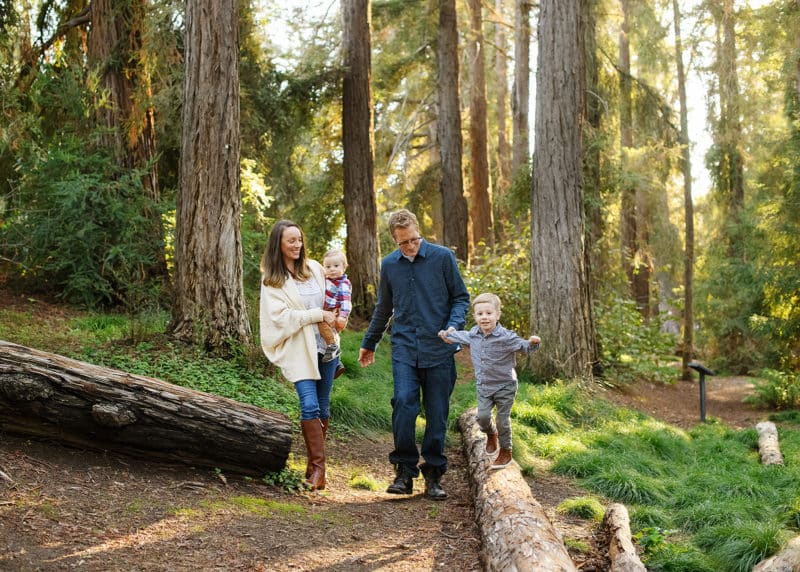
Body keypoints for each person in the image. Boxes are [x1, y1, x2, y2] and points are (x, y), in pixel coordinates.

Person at [358, 209, 470, 500]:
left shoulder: (442, 257)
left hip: (440, 348)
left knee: (437, 413)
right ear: (394, 239)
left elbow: (461, 297)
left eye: (413, 240)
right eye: (403, 242)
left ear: (419, 231)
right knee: (404, 403)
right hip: (405, 348)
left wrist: (454, 326)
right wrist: (369, 343)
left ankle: (433, 474)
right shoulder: (390, 265)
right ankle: (404, 471)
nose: (409, 246)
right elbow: (384, 308)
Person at [259, 220, 339, 491]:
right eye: (290, 240)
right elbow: (280, 318)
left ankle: (313, 468)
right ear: (278, 244)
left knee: (324, 406)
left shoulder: (315, 269)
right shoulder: (273, 280)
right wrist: (317, 315)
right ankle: (319, 471)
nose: (296, 245)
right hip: (299, 351)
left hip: (326, 348)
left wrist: (339, 317)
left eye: (299, 239)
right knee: (309, 405)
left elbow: (333, 298)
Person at [438, 293, 541, 470]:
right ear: (475, 316)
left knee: (503, 420)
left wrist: (533, 343)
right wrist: (446, 334)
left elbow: (525, 346)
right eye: (480, 314)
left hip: (505, 386)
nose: (484, 317)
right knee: (483, 418)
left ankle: (506, 451)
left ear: (497, 315)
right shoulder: (473, 335)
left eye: (488, 313)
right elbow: (457, 336)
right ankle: (491, 434)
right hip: (484, 386)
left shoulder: (507, 337)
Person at [317, 249, 352, 369]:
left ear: (344, 267)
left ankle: (332, 347)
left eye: (336, 266)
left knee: (321, 323)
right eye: (328, 266)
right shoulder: (327, 280)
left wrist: (343, 316)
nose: (331, 269)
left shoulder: (343, 284)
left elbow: (346, 302)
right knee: (332, 333)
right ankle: (337, 363)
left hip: (334, 313)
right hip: (328, 310)